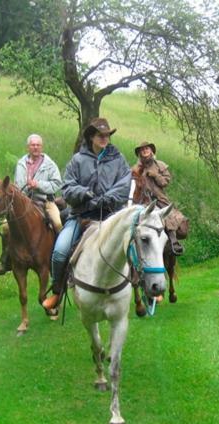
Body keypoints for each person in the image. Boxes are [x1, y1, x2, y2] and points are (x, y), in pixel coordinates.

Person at [42, 118, 131, 310]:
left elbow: (124, 184)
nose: (105, 138)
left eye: (107, 135)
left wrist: (105, 198)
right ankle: (57, 292)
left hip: (110, 214)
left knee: (136, 244)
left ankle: (142, 288)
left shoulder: (118, 159)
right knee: (59, 252)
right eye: (101, 135)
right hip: (81, 215)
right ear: (91, 136)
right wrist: (85, 193)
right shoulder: (77, 160)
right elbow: (67, 188)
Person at [0, 134, 63, 275]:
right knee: (6, 227)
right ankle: (6, 260)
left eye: (38, 145)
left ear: (41, 147)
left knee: (57, 223)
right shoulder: (21, 163)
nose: (35, 147)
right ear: (28, 147)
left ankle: (57, 259)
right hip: (23, 203)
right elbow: (17, 184)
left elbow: (57, 184)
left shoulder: (50, 164)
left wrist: (38, 185)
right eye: (33, 145)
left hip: (45, 201)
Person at [132, 141, 187, 255]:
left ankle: (173, 241)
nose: (145, 151)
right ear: (140, 154)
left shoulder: (160, 165)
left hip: (159, 197)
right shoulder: (135, 168)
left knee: (167, 214)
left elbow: (165, 182)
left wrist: (155, 175)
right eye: (142, 150)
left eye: (147, 148)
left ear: (151, 151)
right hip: (142, 199)